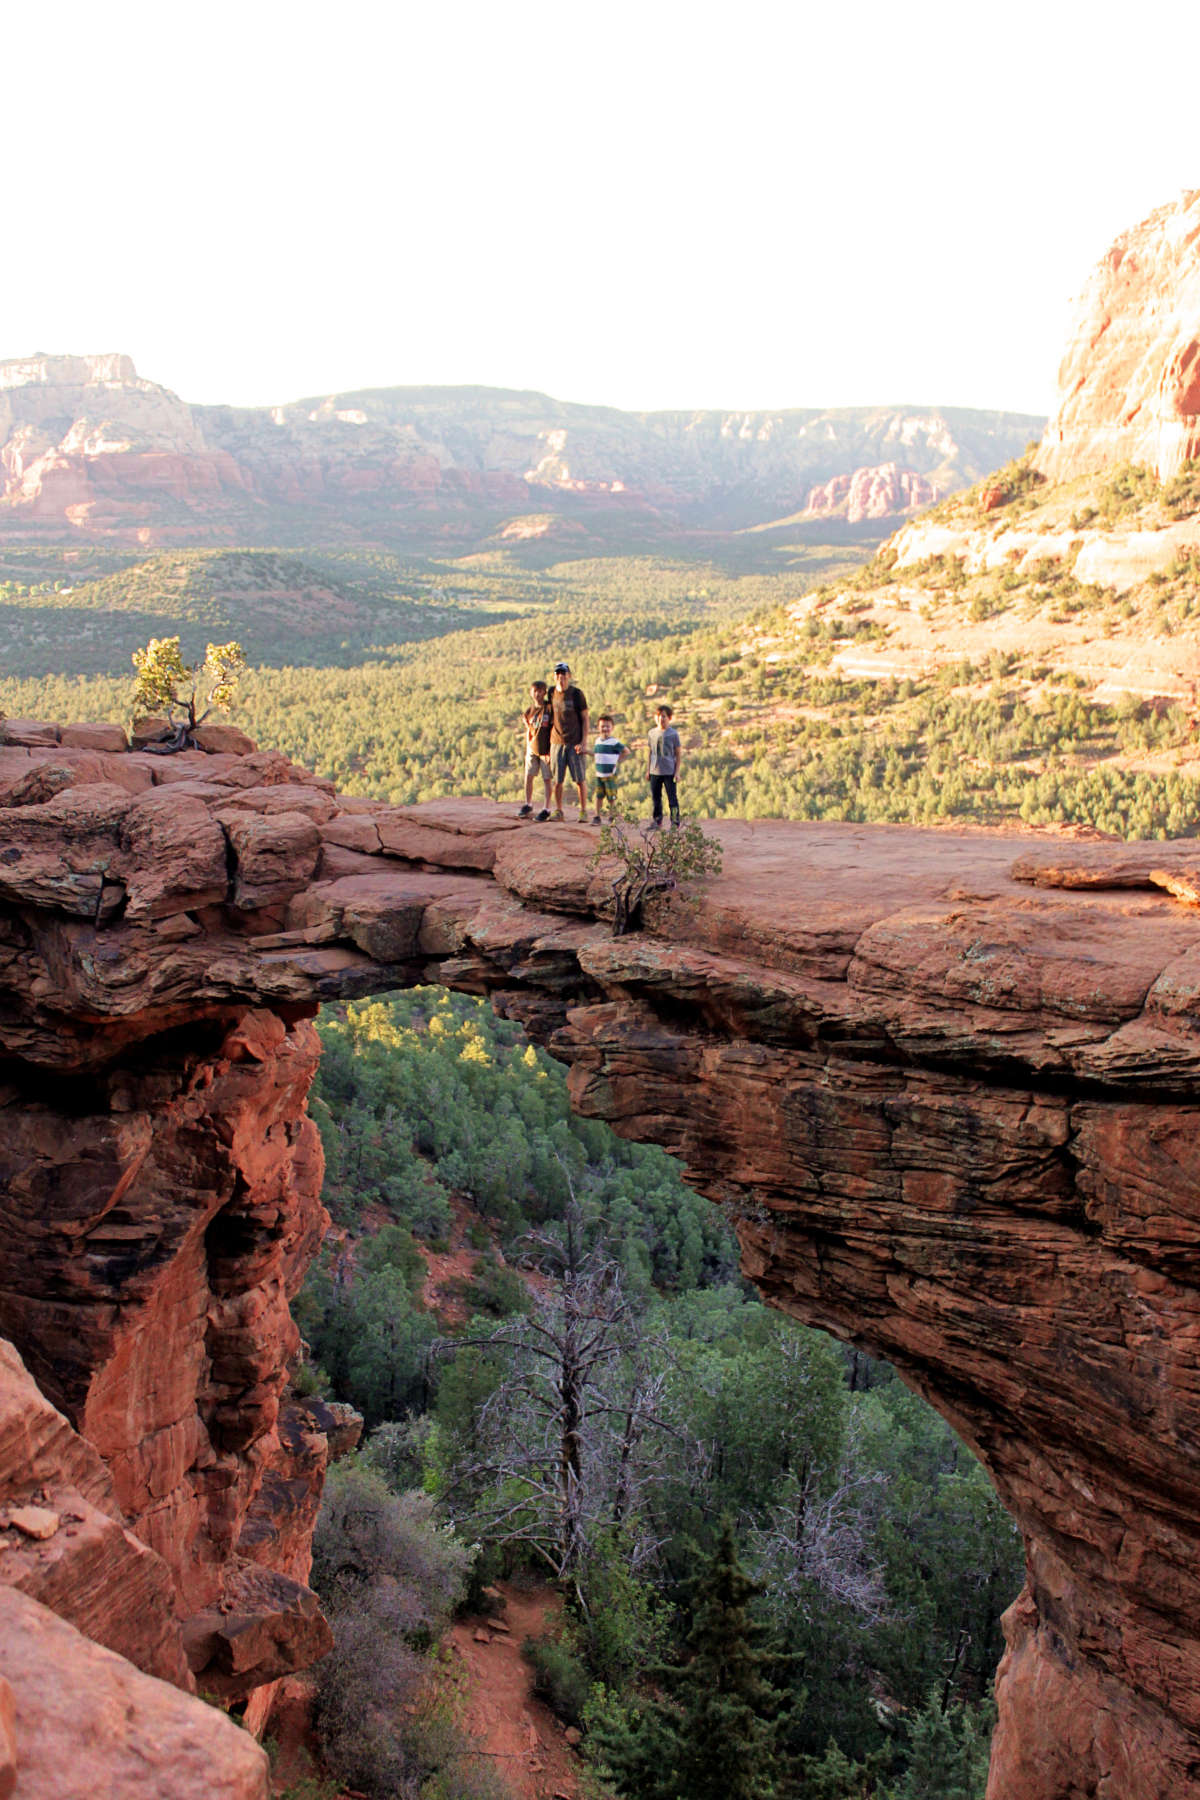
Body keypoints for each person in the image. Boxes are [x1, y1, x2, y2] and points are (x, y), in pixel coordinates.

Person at [549, 661, 589, 822]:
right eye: (558, 674)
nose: (561, 677)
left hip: (575, 743)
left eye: (564, 674)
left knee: (580, 779)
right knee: (557, 781)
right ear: (554, 676)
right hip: (556, 742)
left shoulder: (577, 694)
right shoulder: (551, 693)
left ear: (569, 676)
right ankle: (558, 811)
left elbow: (585, 718)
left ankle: (584, 811)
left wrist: (584, 741)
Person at [517, 679, 553, 819]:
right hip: (532, 747)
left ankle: (547, 808)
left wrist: (551, 749)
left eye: (540, 691)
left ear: (544, 692)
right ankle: (528, 804)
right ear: (531, 693)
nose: (537, 694)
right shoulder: (529, 710)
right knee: (529, 776)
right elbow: (530, 728)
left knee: (547, 778)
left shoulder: (549, 709)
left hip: (546, 749)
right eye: (535, 691)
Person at [646, 702, 682, 829]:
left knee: (672, 799)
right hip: (655, 771)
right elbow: (650, 752)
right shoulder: (651, 733)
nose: (661, 718)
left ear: (670, 718)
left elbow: (678, 754)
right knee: (656, 799)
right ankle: (657, 821)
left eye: (664, 716)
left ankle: (675, 822)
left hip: (669, 771)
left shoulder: (673, 734)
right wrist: (648, 770)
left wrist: (677, 772)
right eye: (659, 716)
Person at [590, 714, 628, 823]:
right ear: (598, 727)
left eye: (607, 726)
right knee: (599, 796)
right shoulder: (597, 741)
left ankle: (612, 816)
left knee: (611, 797)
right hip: (599, 774)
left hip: (610, 774)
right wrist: (585, 752)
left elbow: (626, 751)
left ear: (612, 728)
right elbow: (596, 754)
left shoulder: (614, 742)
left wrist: (618, 760)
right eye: (602, 726)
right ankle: (597, 816)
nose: (605, 728)